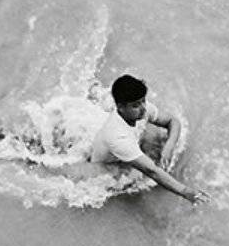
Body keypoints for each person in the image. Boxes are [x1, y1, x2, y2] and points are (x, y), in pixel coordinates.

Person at [88, 74, 208, 203]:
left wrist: (169, 146)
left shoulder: (141, 109)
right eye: (135, 105)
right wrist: (186, 192)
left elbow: (173, 121)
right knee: (136, 179)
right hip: (106, 165)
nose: (143, 108)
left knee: (158, 138)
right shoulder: (117, 136)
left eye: (143, 101)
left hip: (124, 147)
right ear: (121, 107)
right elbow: (152, 171)